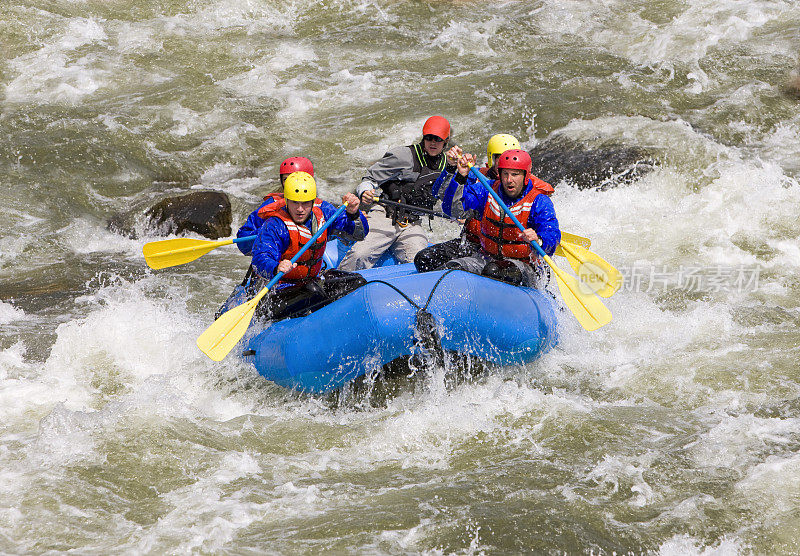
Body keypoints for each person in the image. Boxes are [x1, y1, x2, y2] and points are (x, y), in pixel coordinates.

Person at [217, 172, 369, 322]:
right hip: (277, 292)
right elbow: (260, 259)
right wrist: (276, 267)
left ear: (313, 201)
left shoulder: (323, 214)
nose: (300, 209)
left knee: (356, 282)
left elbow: (358, 233)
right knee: (313, 291)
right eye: (295, 203)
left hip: (312, 280)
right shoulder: (275, 225)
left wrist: (353, 214)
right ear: (287, 201)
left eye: (305, 203)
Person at [415, 148, 560, 288]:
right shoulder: (487, 190)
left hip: (524, 266)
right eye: (505, 174)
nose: (509, 180)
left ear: (526, 176)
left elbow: (552, 233)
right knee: (451, 270)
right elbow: (453, 210)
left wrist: (538, 239)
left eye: (515, 174)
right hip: (486, 257)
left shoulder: (539, 201)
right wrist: (461, 176)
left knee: (493, 271)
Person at [337, 116, 458, 270]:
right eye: (429, 138)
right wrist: (366, 191)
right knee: (359, 255)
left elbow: (446, 198)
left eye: (438, 139)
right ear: (423, 137)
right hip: (385, 216)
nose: (433, 142)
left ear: (446, 141)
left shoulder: (447, 166)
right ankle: (335, 285)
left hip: (412, 223)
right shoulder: (403, 156)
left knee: (424, 262)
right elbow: (369, 177)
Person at [235, 156, 316, 256]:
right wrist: (267, 234)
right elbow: (243, 241)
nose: (289, 183)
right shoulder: (271, 205)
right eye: (286, 179)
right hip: (279, 263)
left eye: (294, 178)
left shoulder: (321, 207)